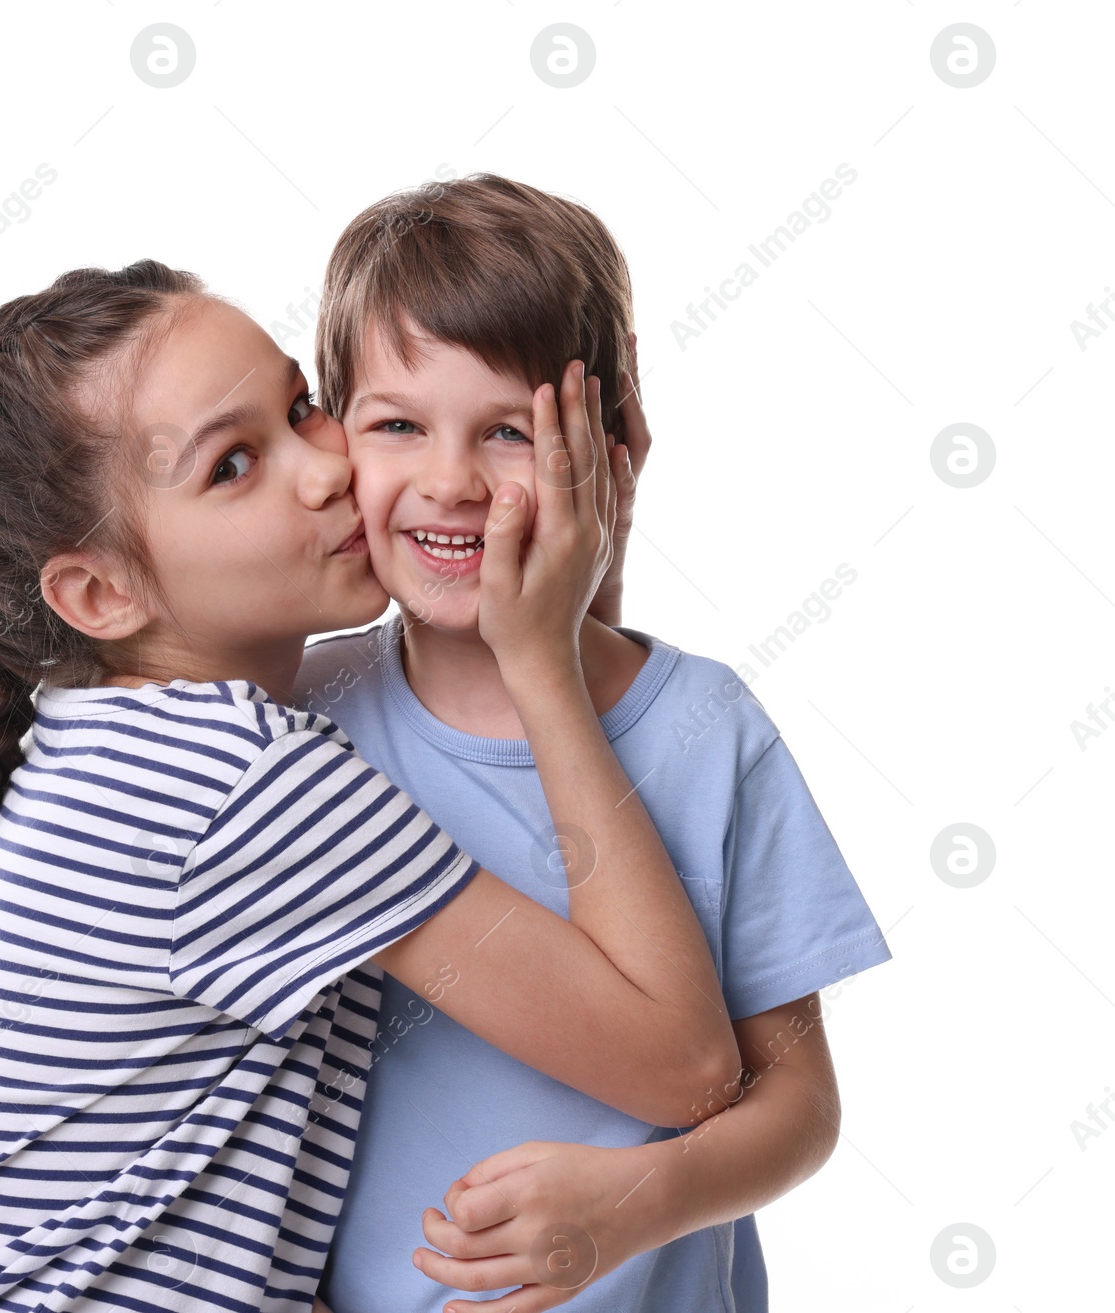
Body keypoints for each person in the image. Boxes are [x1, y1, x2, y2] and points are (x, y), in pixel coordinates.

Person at [0, 259, 745, 1312]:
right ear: (100, 590)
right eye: (232, 465)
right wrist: (546, 656)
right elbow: (684, 1064)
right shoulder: (239, 779)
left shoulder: (110, 741)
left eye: (302, 407)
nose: (321, 468)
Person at [298, 172, 894, 1311]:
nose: (450, 481)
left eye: (510, 431)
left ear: (608, 445)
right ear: (336, 440)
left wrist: (640, 1198)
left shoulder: (704, 728)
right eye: (396, 424)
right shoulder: (295, 721)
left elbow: (798, 1102)